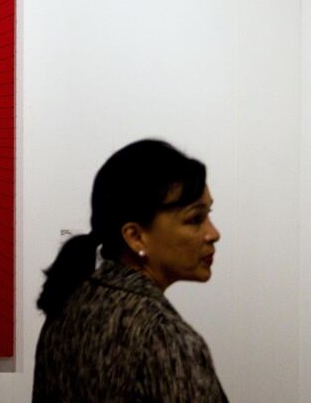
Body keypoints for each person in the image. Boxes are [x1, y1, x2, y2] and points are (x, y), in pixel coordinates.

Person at [32, 139, 228, 402]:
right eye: (195, 219)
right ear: (135, 236)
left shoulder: (68, 301)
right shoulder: (165, 338)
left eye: (208, 215)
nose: (213, 234)